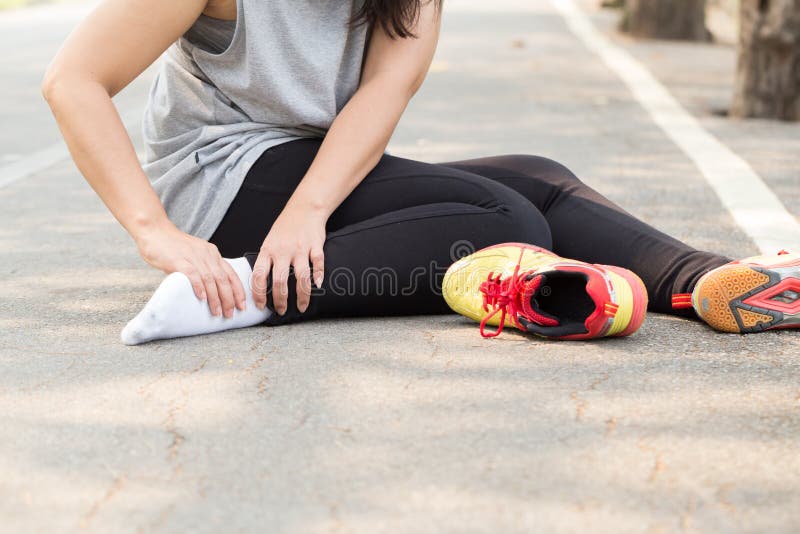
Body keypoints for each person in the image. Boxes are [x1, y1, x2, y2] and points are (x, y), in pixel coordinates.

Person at [42, 0, 799, 345]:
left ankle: (708, 281)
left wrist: (311, 207)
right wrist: (156, 233)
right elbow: (74, 81)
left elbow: (381, 95)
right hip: (222, 178)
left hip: (311, 166)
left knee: (535, 178)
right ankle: (240, 294)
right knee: (505, 220)